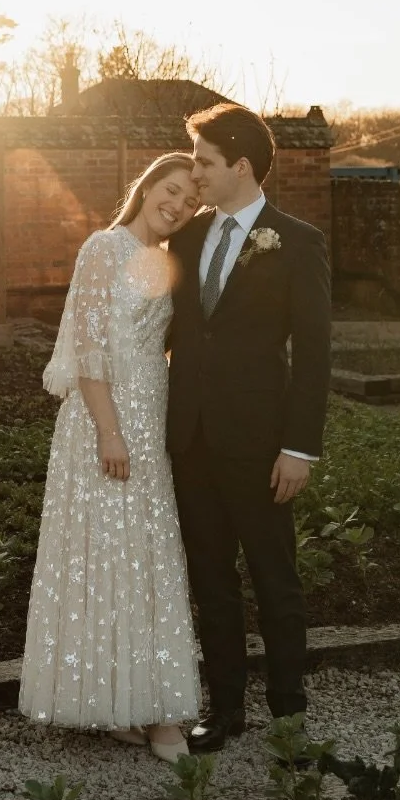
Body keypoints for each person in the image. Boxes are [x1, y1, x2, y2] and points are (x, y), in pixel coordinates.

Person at [19, 152, 202, 762]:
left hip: (152, 415)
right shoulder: (104, 248)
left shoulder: (171, 261)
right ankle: (145, 714)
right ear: (147, 186)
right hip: (106, 420)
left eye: (189, 201)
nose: (176, 205)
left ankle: (141, 706)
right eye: (169, 190)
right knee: (108, 555)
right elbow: (90, 348)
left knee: (146, 557)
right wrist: (109, 431)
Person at [166, 103, 331, 753]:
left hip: (263, 446)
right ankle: (224, 708)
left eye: (205, 162)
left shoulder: (297, 243)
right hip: (192, 441)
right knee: (211, 580)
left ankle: (289, 710)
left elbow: (315, 355)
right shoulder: (183, 238)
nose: (196, 173)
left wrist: (299, 448)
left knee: (273, 577)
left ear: (240, 166)